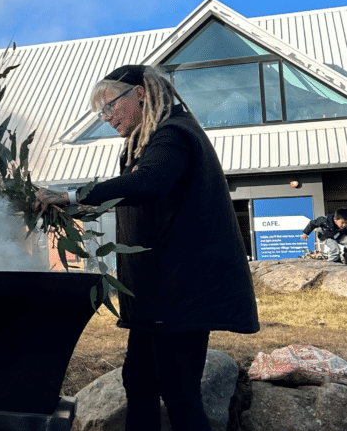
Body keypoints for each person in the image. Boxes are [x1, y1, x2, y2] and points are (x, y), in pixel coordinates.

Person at [36, 64, 259, 431]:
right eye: (101, 112)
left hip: (182, 292)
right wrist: (70, 207)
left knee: (179, 391)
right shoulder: (144, 141)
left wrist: (73, 195)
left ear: (140, 93)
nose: (106, 118)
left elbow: (149, 183)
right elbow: (135, 198)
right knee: (138, 383)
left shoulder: (174, 132)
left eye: (110, 106)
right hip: (157, 295)